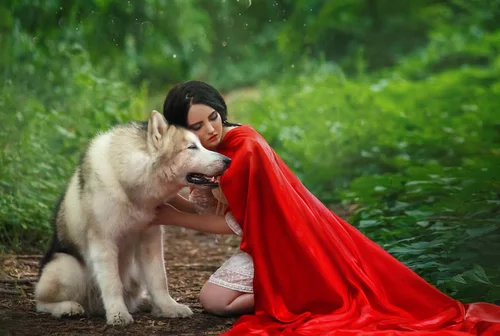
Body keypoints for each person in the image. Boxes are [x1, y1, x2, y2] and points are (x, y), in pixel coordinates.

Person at [154, 80, 500, 336]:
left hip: (290, 244)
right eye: (196, 127)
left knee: (213, 301)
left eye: (213, 117)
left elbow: (239, 225)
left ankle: (303, 291)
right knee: (215, 299)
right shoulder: (209, 153)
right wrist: (167, 199)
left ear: (222, 110)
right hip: (271, 241)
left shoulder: (244, 149)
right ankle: (303, 289)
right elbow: (219, 210)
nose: (210, 129)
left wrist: (173, 217)